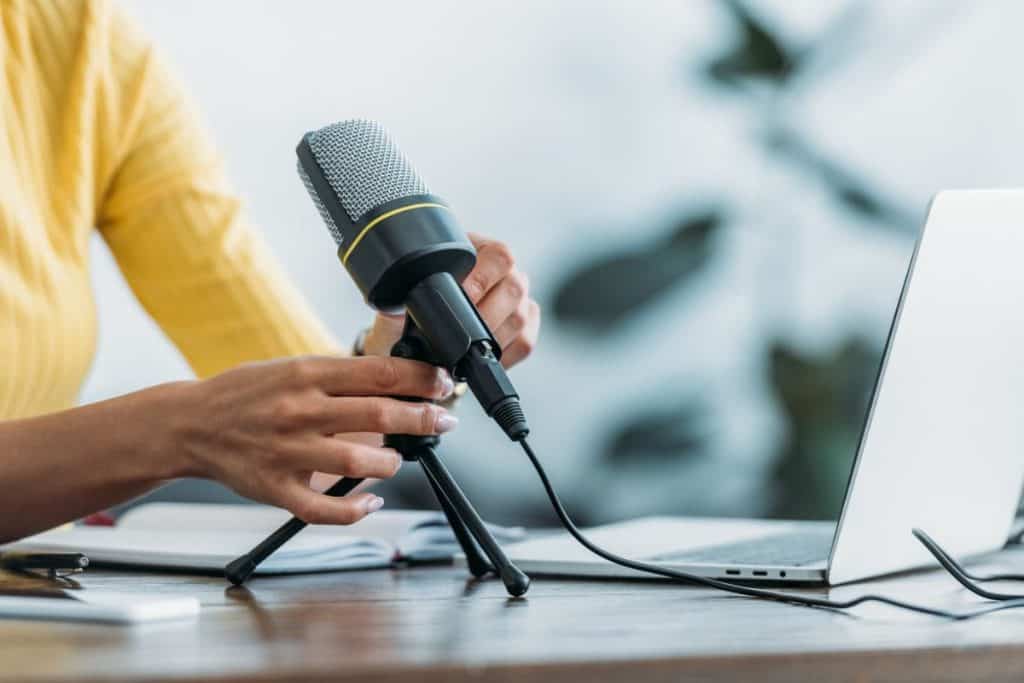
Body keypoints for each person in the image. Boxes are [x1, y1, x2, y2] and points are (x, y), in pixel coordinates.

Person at [0, 0, 540, 543]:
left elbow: (318, 453)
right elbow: (215, 430)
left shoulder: (81, 39)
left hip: (48, 609)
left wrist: (410, 348)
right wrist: (176, 431)